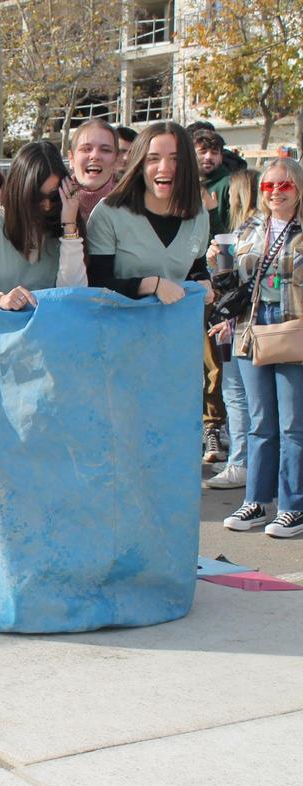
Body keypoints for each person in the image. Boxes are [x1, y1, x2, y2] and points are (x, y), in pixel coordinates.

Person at [217, 157, 303, 538]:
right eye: (268, 186)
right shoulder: (250, 226)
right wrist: (218, 267)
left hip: (292, 326)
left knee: (292, 425)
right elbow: (236, 282)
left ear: (298, 188)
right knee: (260, 422)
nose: (274, 193)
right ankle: (257, 500)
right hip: (251, 327)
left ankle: (292, 505)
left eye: (284, 185)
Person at [86, 122, 210, 309]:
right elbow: (95, 284)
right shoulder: (109, 213)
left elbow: (197, 269)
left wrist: (205, 282)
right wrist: (151, 285)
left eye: (175, 159)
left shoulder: (199, 215)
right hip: (118, 329)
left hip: (175, 329)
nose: (164, 167)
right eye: (153, 158)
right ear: (140, 164)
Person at [0, 140, 86, 309]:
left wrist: (69, 227)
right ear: (18, 191)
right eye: (37, 198)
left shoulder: (64, 227)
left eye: (54, 197)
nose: (46, 206)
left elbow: (74, 297)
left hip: (49, 332)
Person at [204, 168, 259, 491]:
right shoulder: (245, 230)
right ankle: (242, 458)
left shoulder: (251, 231)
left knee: (239, 395)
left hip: (242, 324)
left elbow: (238, 284)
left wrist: (219, 265)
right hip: (237, 323)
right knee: (238, 393)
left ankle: (241, 461)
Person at [194, 127, 236, 464]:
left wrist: (210, 211)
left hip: (216, 286)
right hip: (177, 285)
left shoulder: (227, 184)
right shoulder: (173, 182)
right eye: (202, 150)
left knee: (214, 363)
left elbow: (227, 237)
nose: (208, 158)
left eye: (214, 151)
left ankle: (213, 427)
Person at [68, 118, 119, 226]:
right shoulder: (52, 202)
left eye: (105, 150)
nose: (95, 156)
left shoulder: (132, 204)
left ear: (116, 160)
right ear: (71, 158)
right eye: (86, 149)